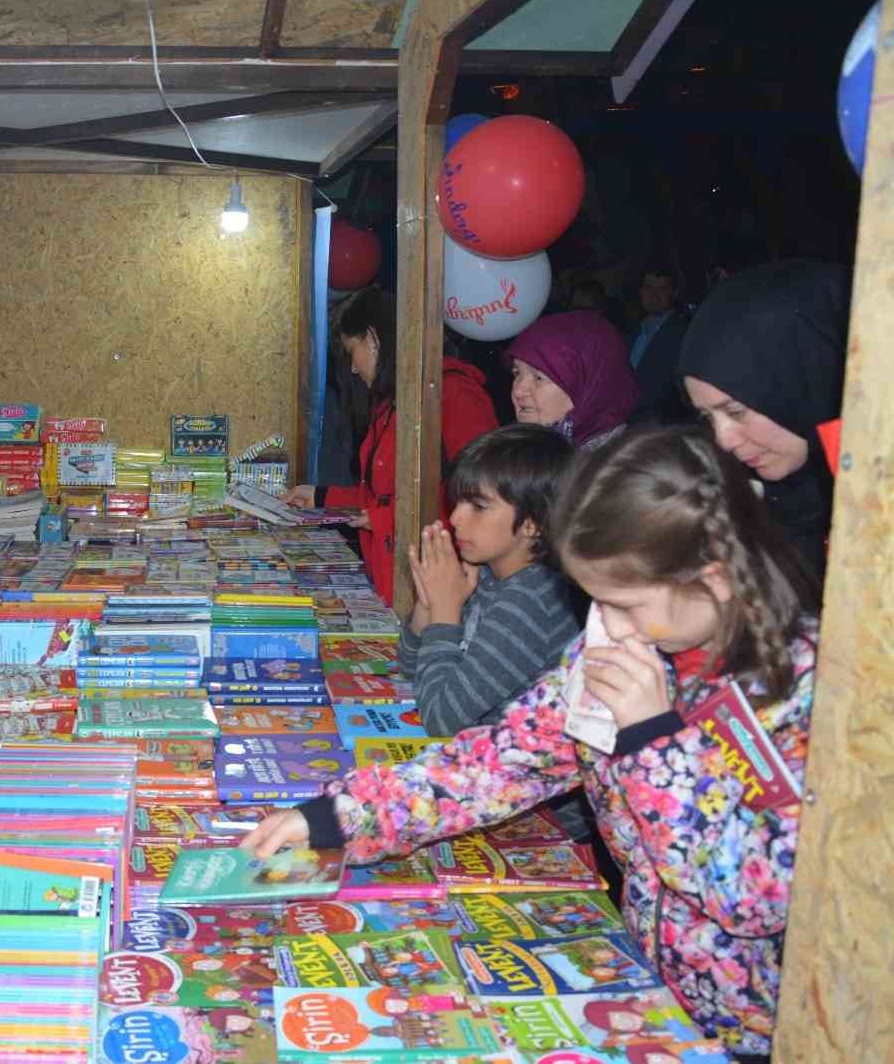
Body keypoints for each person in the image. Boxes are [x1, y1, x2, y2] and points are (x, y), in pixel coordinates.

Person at [242, 427, 820, 1060]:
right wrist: (339, 815)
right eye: (593, 601)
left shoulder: (807, 695)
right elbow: (496, 763)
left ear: (715, 580)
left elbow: (754, 897)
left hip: (762, 1032)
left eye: (625, 604)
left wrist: (652, 743)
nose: (605, 627)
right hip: (649, 997)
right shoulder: (629, 644)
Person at [285, 287, 498, 605]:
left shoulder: (453, 395)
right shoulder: (391, 403)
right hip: (394, 580)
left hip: (437, 589)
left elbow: (481, 500)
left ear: (373, 339)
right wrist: (320, 496)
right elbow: (381, 494)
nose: (353, 367)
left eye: (352, 351)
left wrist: (385, 518)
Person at [400, 424, 579, 737]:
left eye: (479, 507)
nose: (454, 518)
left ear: (533, 523)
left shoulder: (529, 601)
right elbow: (410, 668)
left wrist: (445, 610)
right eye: (459, 502)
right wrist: (429, 605)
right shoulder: (485, 574)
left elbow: (440, 719)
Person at [678, 259, 850, 582]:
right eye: (707, 417)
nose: (723, 440)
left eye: (736, 411)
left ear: (812, 375)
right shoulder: (763, 507)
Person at [507, 310, 640, 453]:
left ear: (589, 386)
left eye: (539, 377)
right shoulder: (514, 450)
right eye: (517, 373)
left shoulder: (621, 464)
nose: (518, 391)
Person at [626, 264, 693, 425]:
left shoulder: (684, 334)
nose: (653, 295)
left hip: (659, 428)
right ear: (640, 291)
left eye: (662, 289)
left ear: (674, 293)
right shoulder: (631, 331)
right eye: (648, 287)